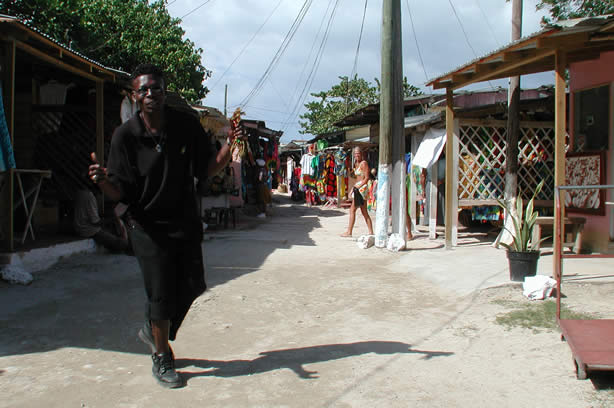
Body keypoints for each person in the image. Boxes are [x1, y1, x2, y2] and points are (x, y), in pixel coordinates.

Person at [88, 63, 238, 388]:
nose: (150, 94)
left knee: (193, 284)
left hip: (183, 219)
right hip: (146, 225)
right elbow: (119, 190)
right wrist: (102, 183)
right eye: (143, 89)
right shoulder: (125, 137)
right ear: (134, 95)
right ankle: (161, 354)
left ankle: (152, 327)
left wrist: (229, 147)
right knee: (160, 292)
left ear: (164, 91)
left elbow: (208, 168)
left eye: (156, 88)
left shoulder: (185, 125)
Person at [73, 184, 129, 253]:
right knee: (123, 244)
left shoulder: (81, 192)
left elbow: (90, 215)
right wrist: (114, 219)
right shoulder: (90, 196)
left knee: (112, 230)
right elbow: (96, 222)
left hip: (80, 227)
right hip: (89, 230)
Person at [341, 146, 374, 237]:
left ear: (361, 154)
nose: (356, 155)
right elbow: (357, 178)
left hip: (362, 189)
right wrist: (353, 187)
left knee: (352, 210)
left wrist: (358, 186)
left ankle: (349, 232)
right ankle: (371, 232)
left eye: (358, 153)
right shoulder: (356, 164)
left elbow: (366, 178)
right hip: (358, 188)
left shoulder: (364, 163)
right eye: (355, 154)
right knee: (364, 212)